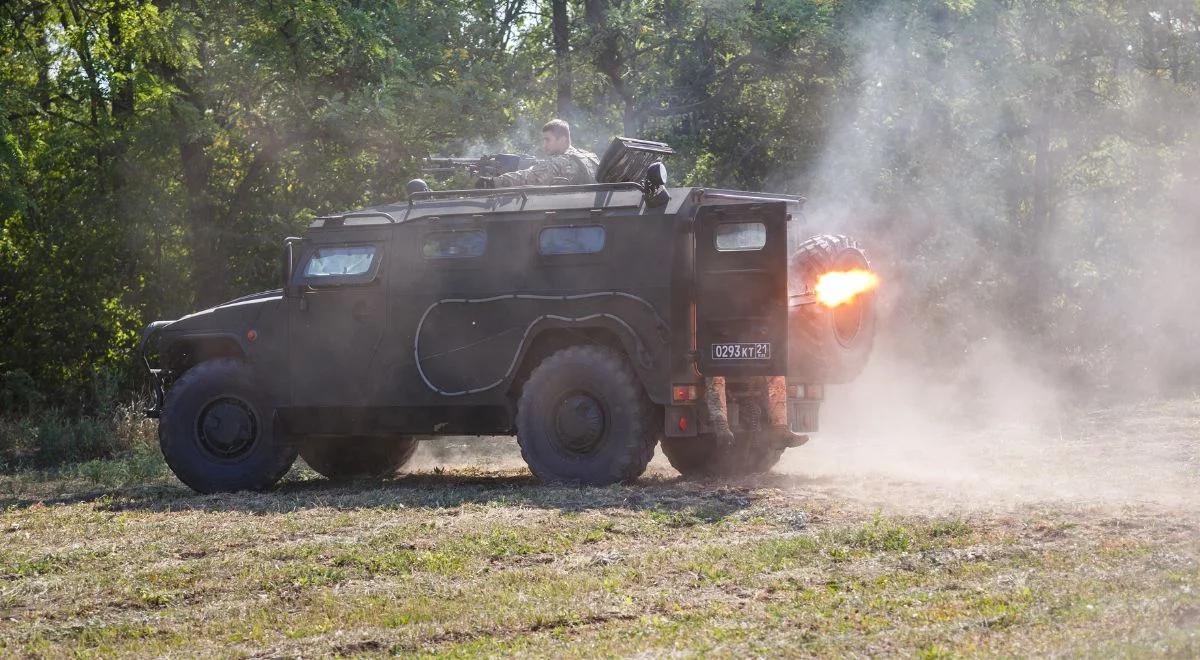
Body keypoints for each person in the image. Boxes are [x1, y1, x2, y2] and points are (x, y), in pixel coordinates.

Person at [478, 119, 599, 188]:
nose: (544, 145)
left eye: (548, 140)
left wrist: (493, 181)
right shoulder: (588, 156)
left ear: (562, 139)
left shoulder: (560, 162)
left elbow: (528, 177)